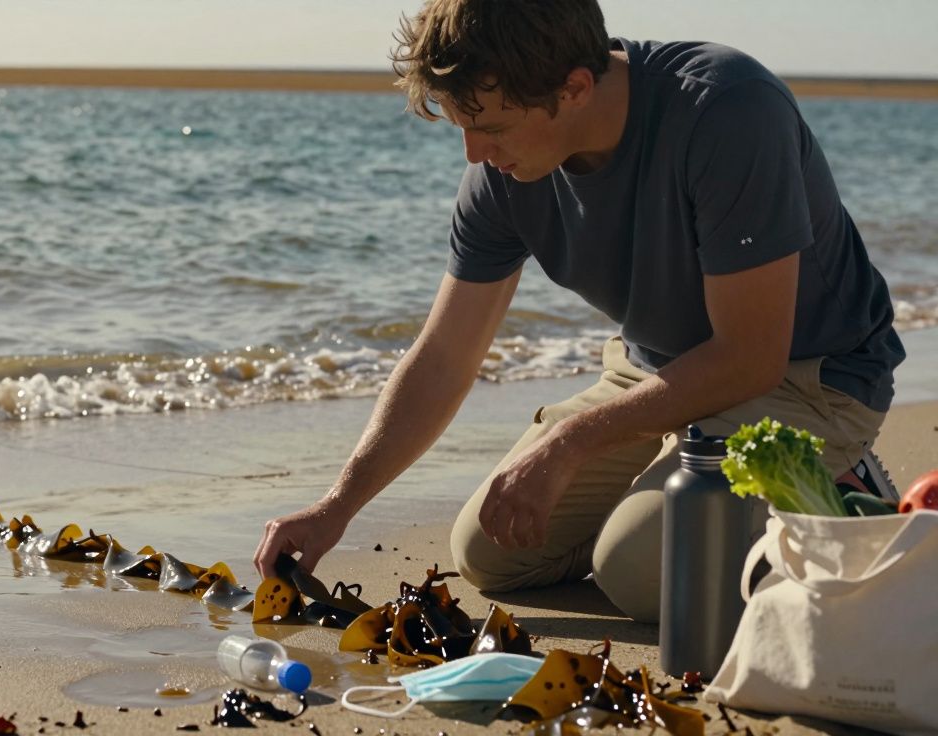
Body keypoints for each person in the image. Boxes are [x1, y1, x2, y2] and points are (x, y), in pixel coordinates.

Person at [253, 0, 905, 623]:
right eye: (463, 126)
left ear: (573, 88)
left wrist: (574, 440)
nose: (475, 154)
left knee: (638, 570)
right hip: (654, 371)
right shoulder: (501, 174)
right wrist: (337, 507)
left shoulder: (728, 111)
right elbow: (446, 356)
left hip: (807, 377)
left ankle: (846, 493)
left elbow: (750, 355)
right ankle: (668, 492)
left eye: (492, 126)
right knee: (491, 552)